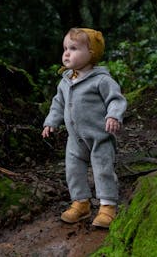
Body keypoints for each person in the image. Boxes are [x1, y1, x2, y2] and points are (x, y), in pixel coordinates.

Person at [42, 27, 127, 229]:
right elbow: (58, 104)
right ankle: (81, 203)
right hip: (74, 139)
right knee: (73, 170)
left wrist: (113, 115)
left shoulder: (102, 80)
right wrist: (50, 121)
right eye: (65, 48)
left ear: (91, 53)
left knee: (103, 169)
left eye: (73, 48)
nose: (67, 53)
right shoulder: (65, 81)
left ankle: (107, 206)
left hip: (100, 137)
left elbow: (116, 99)